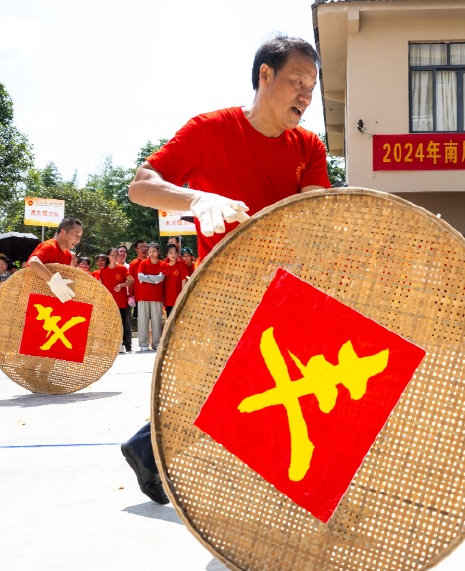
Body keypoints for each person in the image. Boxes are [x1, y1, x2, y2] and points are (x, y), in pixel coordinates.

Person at [120, 35, 331, 504]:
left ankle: (149, 447)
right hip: (223, 290)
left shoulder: (308, 148)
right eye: (297, 81)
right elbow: (142, 185)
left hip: (285, 290)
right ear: (264, 75)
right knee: (247, 390)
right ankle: (157, 451)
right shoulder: (210, 130)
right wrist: (197, 198)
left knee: (245, 389)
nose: (305, 96)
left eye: (312, 88)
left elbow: (318, 210)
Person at [28, 217, 83, 303]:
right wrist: (52, 281)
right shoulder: (49, 246)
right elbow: (33, 262)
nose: (78, 240)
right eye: (77, 235)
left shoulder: (68, 255)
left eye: (80, 236)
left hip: (51, 303)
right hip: (34, 301)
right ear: (63, 232)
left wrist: (73, 269)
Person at [95, 247, 134, 353]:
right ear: (108, 256)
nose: (114, 257)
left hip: (121, 301)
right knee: (109, 323)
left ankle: (122, 344)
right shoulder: (103, 271)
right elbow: (101, 285)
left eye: (116, 255)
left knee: (121, 323)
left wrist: (122, 285)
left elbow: (131, 281)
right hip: (108, 302)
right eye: (112, 255)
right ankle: (111, 345)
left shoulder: (122, 269)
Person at [135, 242, 166, 352]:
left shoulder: (163, 264)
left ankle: (156, 343)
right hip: (143, 296)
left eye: (154, 251)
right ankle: (143, 343)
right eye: (150, 252)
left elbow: (161, 279)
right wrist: (154, 279)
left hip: (156, 296)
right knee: (143, 320)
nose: (152, 254)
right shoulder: (143, 263)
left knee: (157, 321)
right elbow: (140, 276)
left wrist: (147, 277)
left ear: (158, 252)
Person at [161, 244, 189, 318]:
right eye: (171, 253)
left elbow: (184, 280)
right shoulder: (164, 266)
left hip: (178, 298)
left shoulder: (181, 264)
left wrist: (183, 295)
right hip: (168, 300)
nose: (173, 254)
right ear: (167, 255)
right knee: (170, 320)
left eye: (175, 252)